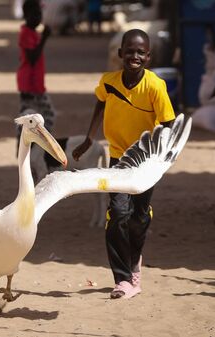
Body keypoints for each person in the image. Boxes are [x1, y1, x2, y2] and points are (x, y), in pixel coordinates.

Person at [72, 28, 175, 299]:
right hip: (118, 157)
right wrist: (88, 139)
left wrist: (162, 157)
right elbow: (100, 104)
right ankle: (124, 279)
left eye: (141, 52)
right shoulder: (109, 82)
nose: (135, 56)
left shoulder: (155, 86)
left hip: (147, 160)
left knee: (138, 218)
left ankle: (134, 263)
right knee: (117, 213)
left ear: (149, 56)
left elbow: (168, 124)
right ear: (120, 54)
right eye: (129, 51)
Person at [16, 0, 55, 147]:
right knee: (47, 115)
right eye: (36, 14)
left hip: (35, 84)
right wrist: (44, 38)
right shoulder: (26, 33)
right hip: (29, 85)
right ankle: (34, 144)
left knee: (30, 117)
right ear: (26, 15)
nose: (39, 17)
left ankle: (33, 144)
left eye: (40, 14)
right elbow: (32, 58)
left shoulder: (32, 32)